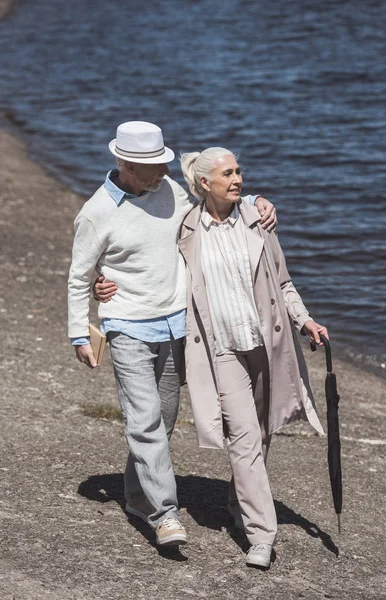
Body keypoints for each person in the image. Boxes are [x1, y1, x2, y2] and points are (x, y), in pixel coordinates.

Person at [68, 121, 276, 547]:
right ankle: (165, 514)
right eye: (153, 166)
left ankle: (134, 495)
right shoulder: (95, 213)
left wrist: (254, 200)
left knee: (160, 422)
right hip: (127, 326)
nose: (164, 171)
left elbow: (212, 200)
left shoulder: (172, 191)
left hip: (178, 324)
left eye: (164, 163)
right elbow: (78, 277)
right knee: (144, 421)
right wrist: (79, 333)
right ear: (126, 164)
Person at [176, 147, 328, 568]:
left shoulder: (258, 221)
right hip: (221, 350)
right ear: (205, 183)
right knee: (243, 439)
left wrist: (305, 321)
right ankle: (261, 535)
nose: (237, 178)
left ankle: (236, 502)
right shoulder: (186, 227)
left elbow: (283, 283)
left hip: (265, 344)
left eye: (239, 171)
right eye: (228, 173)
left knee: (261, 434)